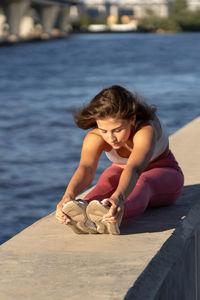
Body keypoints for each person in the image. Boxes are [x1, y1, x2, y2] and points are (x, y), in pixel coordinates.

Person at [56, 85, 184, 235]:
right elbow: (86, 168)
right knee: (107, 179)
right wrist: (68, 195)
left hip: (165, 174)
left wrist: (118, 198)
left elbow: (134, 168)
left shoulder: (145, 131)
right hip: (123, 172)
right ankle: (85, 213)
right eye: (104, 131)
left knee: (143, 181)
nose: (111, 138)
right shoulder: (95, 137)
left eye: (117, 130)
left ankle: (112, 214)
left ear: (132, 119)